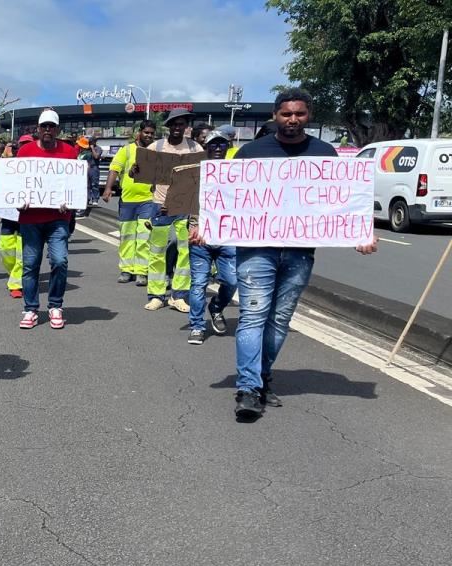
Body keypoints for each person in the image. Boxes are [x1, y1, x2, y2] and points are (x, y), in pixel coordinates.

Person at [229, 88, 377, 421]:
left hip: (299, 253)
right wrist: (205, 226)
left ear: (308, 115)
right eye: (286, 114)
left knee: (279, 321)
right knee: (253, 317)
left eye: (299, 114)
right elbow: (227, 198)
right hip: (256, 250)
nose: (293, 120)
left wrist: (359, 232)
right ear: (275, 116)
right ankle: (249, 389)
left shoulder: (325, 153)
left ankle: (262, 376)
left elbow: (340, 201)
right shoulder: (250, 153)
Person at [16, 109, 78, 330]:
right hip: (30, 218)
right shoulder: (24, 152)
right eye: (44, 126)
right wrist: (17, 199)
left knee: (60, 261)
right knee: (30, 265)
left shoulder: (70, 152)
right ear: (38, 129)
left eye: (52, 126)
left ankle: (55, 306)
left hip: (58, 218)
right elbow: (16, 183)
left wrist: (70, 201)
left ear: (58, 130)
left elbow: (74, 185)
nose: (48, 130)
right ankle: (30, 309)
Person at [141, 107, 201, 313]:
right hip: (160, 207)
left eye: (181, 124)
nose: (177, 127)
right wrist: (135, 171)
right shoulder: (156, 147)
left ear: (186, 126)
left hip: (186, 205)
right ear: (168, 126)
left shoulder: (195, 149)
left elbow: (201, 178)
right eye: (174, 123)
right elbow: (140, 173)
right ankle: (157, 295)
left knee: (184, 252)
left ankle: (179, 296)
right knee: (157, 251)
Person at [183, 128, 238, 346]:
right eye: (212, 144)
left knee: (232, 281)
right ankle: (197, 326)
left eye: (221, 144)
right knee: (198, 284)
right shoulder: (197, 173)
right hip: (201, 239)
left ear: (228, 147)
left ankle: (216, 307)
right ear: (206, 147)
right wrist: (192, 226)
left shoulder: (239, 173)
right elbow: (186, 200)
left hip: (228, 238)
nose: (217, 148)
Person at [103, 120, 157, 285]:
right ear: (139, 132)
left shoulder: (156, 151)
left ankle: (141, 272)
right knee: (127, 237)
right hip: (127, 201)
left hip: (148, 200)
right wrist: (107, 189)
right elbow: (115, 169)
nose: (149, 136)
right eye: (146, 132)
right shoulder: (126, 150)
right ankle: (126, 270)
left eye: (151, 133)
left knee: (144, 236)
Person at [0, 135, 34, 297]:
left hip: (29, 216)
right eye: (21, 145)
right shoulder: (8, 166)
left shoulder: (38, 167)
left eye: (28, 145)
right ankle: (14, 273)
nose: (24, 148)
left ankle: (16, 283)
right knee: (6, 249)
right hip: (9, 215)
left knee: (21, 251)